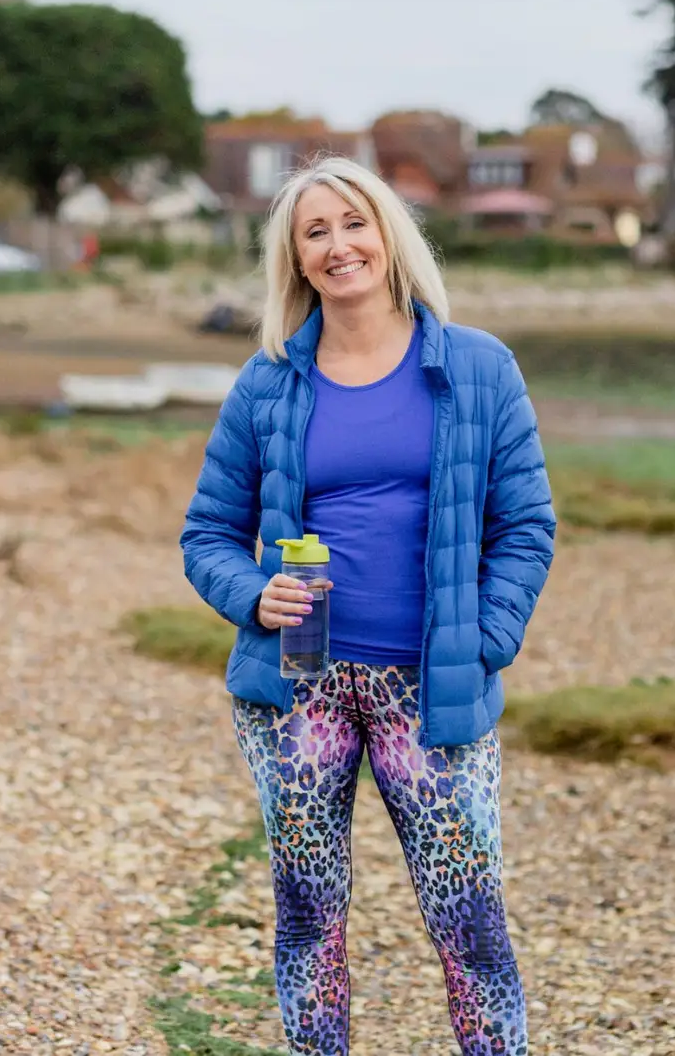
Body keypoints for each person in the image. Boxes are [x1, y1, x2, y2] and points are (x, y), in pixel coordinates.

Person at [180, 157, 556, 1055]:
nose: (339, 245)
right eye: (316, 232)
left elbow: (527, 525)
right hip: (299, 688)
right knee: (310, 919)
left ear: (390, 237)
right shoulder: (268, 382)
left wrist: (487, 641)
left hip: (431, 693)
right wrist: (249, 593)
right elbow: (206, 534)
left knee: (469, 926)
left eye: (355, 223)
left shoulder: (478, 366)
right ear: (297, 261)